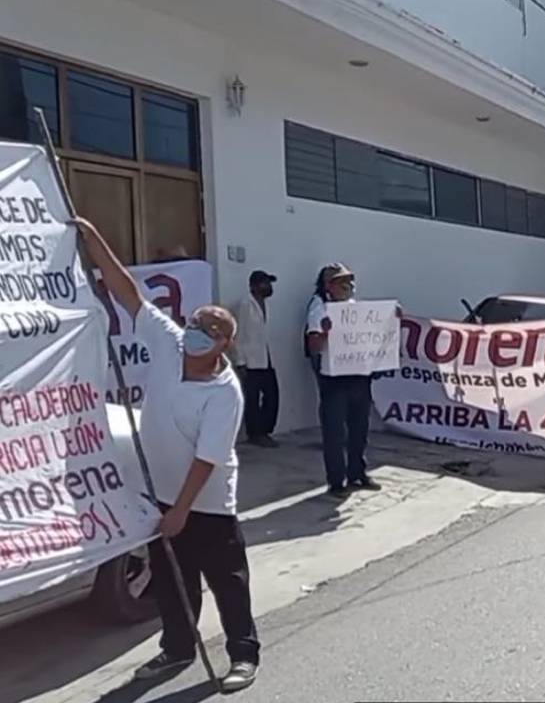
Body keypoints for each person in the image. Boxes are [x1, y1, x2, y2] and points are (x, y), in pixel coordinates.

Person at [72, 218, 260, 691]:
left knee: (228, 582)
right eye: (197, 322)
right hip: (159, 493)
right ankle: (176, 648)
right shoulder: (170, 341)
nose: (197, 330)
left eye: (210, 329)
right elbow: (127, 291)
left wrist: (181, 510)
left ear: (224, 344)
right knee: (173, 582)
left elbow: (207, 459)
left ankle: (243, 655)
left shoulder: (224, 391)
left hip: (207, 502)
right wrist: (93, 238)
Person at [306, 263, 381, 498]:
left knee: (360, 428)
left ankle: (357, 473)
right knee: (335, 432)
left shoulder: (354, 308)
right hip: (335, 380)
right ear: (329, 285)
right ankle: (336, 482)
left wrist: (392, 319)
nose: (348, 286)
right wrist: (325, 333)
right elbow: (313, 346)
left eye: (349, 280)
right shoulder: (319, 308)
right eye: (341, 281)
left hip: (359, 376)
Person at [232, 270, 279, 448]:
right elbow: (238, 335)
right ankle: (255, 433)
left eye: (269, 283)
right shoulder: (245, 305)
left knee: (272, 395)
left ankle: (265, 430)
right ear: (253, 286)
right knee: (252, 399)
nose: (268, 287)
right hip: (250, 360)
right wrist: (240, 362)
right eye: (264, 283)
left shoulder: (265, 305)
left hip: (265, 358)